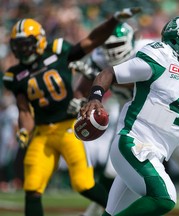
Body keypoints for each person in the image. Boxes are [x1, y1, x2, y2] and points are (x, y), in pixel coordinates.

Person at [79, 15, 179, 216]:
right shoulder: (160, 56)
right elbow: (109, 73)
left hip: (155, 152)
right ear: (177, 39)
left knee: (112, 213)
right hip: (133, 143)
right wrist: (95, 97)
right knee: (164, 198)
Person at [2, 7, 141, 216]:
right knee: (32, 187)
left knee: (83, 184)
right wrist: (24, 131)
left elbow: (93, 39)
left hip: (68, 127)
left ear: (38, 40)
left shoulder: (58, 50)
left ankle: (118, 213)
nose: (22, 50)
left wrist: (114, 20)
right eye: (18, 45)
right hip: (42, 133)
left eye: (26, 44)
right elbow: (24, 110)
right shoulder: (15, 75)